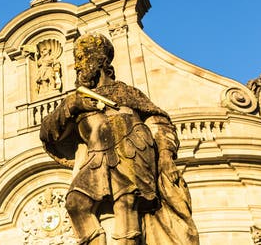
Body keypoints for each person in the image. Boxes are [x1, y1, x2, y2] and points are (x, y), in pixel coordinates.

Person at [39, 33, 198, 244]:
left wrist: (166, 155)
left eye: (83, 60)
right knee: (75, 203)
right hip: (97, 158)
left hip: (131, 151)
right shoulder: (77, 99)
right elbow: (47, 132)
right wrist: (71, 106)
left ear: (101, 62)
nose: (77, 67)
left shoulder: (125, 91)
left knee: (126, 202)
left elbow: (158, 119)